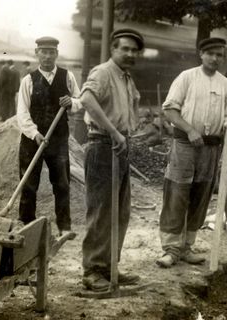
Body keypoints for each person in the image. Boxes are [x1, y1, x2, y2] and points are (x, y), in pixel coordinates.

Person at [156, 37, 227, 268]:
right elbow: (169, 109)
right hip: (185, 144)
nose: (215, 58)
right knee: (177, 193)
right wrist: (189, 130)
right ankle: (170, 248)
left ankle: (187, 247)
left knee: (201, 194)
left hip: (211, 147)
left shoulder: (226, 84)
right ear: (201, 54)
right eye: (210, 54)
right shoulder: (187, 77)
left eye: (219, 55)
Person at [79, 28, 144, 291]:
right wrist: (115, 131)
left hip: (119, 147)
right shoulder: (103, 72)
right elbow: (86, 99)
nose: (130, 54)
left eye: (134, 50)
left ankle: (109, 267)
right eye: (124, 49)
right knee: (102, 211)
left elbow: (130, 109)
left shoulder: (126, 78)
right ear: (113, 49)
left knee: (120, 212)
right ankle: (93, 270)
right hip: (102, 146)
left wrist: (128, 132)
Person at [16, 36, 82, 235]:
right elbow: (22, 113)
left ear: (56, 54)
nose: (47, 56)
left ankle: (64, 226)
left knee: (62, 183)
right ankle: (26, 224)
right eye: (43, 52)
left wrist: (72, 102)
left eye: (51, 52)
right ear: (37, 53)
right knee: (28, 184)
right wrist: (35, 134)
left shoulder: (67, 76)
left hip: (59, 139)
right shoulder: (28, 80)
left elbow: (81, 100)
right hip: (32, 140)